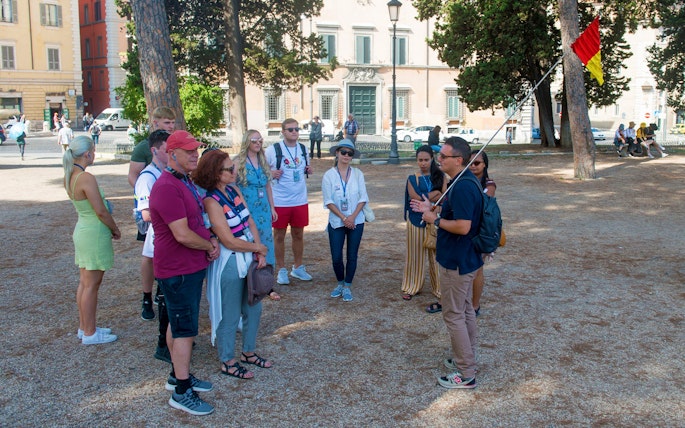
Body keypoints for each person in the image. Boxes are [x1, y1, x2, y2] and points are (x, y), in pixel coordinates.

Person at [149, 130, 219, 416]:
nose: (195, 154)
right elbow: (181, 234)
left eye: (196, 150)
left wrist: (207, 241)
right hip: (178, 269)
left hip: (187, 267)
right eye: (188, 150)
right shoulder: (167, 186)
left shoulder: (183, 181)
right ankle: (181, 390)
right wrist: (209, 244)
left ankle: (178, 375)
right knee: (184, 329)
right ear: (171, 153)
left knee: (177, 324)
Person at [195, 150, 273, 381]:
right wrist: (257, 249)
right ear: (216, 174)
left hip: (248, 254)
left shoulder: (233, 190)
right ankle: (227, 360)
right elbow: (227, 240)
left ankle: (248, 352)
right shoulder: (211, 201)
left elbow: (249, 221)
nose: (234, 171)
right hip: (230, 260)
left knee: (253, 308)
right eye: (229, 169)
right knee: (229, 313)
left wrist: (258, 249)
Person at [411, 137, 483, 389]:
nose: (438, 159)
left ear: (459, 160)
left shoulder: (463, 186)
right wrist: (434, 208)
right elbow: (457, 215)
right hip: (463, 258)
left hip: (458, 260)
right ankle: (467, 359)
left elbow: (463, 227)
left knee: (454, 315)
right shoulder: (461, 182)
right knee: (464, 311)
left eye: (443, 156)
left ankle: (466, 373)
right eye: (439, 155)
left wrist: (434, 219)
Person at [63, 135, 121, 345]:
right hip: (94, 232)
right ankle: (89, 332)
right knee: (91, 285)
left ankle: (85, 326)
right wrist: (115, 228)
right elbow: (101, 211)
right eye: (93, 151)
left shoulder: (71, 175)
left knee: (85, 283)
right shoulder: (86, 178)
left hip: (83, 229)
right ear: (87, 153)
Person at [134, 131, 172, 363]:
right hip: (162, 237)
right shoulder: (147, 177)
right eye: (167, 150)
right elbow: (146, 214)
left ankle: (173, 338)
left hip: (169, 237)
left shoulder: (168, 173)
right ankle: (163, 342)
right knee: (167, 292)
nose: (170, 153)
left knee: (171, 292)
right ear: (154, 151)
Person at [265, 118, 314, 285]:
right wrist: (271, 172)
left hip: (300, 199)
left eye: (297, 129)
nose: (294, 132)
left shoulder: (303, 149)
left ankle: (298, 267)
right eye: (290, 129)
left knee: (298, 234)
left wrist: (309, 169)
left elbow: (305, 167)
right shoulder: (273, 150)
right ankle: (281, 269)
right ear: (283, 132)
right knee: (279, 235)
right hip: (280, 200)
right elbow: (263, 171)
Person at [322, 140, 370, 302]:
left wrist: (352, 217)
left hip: (356, 220)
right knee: (336, 256)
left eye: (350, 153)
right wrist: (344, 218)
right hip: (337, 221)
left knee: (352, 255)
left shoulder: (358, 174)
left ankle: (347, 285)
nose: (346, 156)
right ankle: (340, 283)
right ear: (337, 153)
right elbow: (328, 201)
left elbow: (363, 198)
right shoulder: (329, 175)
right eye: (343, 152)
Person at [235, 129, 280, 300]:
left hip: (263, 208)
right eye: (254, 140)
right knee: (250, 242)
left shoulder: (262, 161)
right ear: (247, 141)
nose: (258, 143)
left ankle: (267, 283)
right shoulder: (238, 162)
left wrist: (273, 207)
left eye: (260, 140)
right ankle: (249, 281)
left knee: (266, 242)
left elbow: (268, 185)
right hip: (248, 206)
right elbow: (235, 186)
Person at [401, 145, 446, 302]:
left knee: (436, 256)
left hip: (435, 221)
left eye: (426, 160)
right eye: (420, 160)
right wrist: (434, 194)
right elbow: (414, 197)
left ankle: (440, 289)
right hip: (415, 221)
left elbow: (445, 197)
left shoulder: (441, 176)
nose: (423, 163)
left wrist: (430, 196)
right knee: (415, 255)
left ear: (432, 159)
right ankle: (411, 286)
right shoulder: (412, 178)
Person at [468, 151, 496, 316]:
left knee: (477, 269)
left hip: (482, 231)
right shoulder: (462, 180)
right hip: (465, 230)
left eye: (477, 163)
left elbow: (483, 203)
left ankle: (475, 305)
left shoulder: (489, 184)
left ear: (485, 164)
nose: (472, 166)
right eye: (470, 163)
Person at [128, 106, 177, 188]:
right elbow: (132, 176)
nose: (171, 126)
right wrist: (145, 192)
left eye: (173, 122)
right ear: (155, 123)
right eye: (167, 123)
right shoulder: (143, 147)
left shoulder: (177, 144)